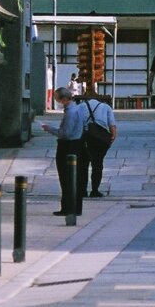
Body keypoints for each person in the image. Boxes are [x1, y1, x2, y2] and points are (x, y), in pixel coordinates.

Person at [41, 87, 88, 216]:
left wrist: (49, 129)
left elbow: (65, 133)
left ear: (65, 99)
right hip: (78, 143)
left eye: (57, 98)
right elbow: (84, 127)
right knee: (74, 177)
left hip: (68, 146)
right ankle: (75, 207)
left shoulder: (70, 112)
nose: (56, 100)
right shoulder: (78, 109)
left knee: (66, 178)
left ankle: (68, 207)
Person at [79, 95, 117, 197]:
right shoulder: (106, 107)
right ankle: (95, 190)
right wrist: (112, 137)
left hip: (84, 137)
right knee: (97, 164)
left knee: (83, 164)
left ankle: (82, 190)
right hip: (99, 138)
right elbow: (112, 124)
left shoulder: (81, 106)